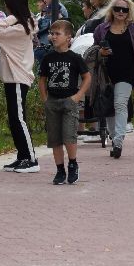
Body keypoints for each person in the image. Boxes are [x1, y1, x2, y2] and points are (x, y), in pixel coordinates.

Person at [93, 0, 134, 160]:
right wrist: (100, 52)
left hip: (127, 72)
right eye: (117, 8)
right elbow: (94, 50)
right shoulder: (101, 29)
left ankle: (118, 142)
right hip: (106, 73)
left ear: (129, 11)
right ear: (112, 10)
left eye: (125, 9)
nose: (121, 12)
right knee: (109, 107)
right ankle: (113, 135)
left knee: (120, 103)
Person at [0, 0, 39, 173]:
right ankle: (22, 156)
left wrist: (12, 17)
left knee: (19, 118)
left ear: (12, 6)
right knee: (14, 119)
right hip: (13, 77)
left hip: (18, 77)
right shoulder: (23, 25)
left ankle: (32, 159)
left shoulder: (20, 28)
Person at [37, 18, 90, 185]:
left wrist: (77, 96)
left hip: (69, 102)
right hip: (52, 101)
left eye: (57, 34)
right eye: (51, 33)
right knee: (55, 139)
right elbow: (42, 79)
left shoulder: (75, 58)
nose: (53, 37)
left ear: (68, 37)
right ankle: (60, 169)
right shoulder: (48, 58)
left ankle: (73, 163)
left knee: (69, 136)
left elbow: (87, 77)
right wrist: (45, 98)